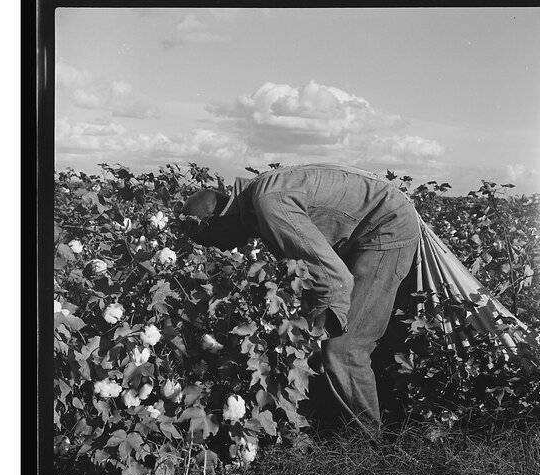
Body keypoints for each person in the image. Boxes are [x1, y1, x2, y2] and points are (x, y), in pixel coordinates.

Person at [180, 163, 421, 440]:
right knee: (345, 335)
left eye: (212, 240)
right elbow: (309, 272)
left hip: (386, 226)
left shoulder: (269, 203)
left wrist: (310, 333)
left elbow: (334, 279)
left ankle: (369, 444)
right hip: (372, 223)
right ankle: (351, 415)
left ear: (217, 220)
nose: (221, 248)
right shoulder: (260, 199)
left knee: (344, 349)